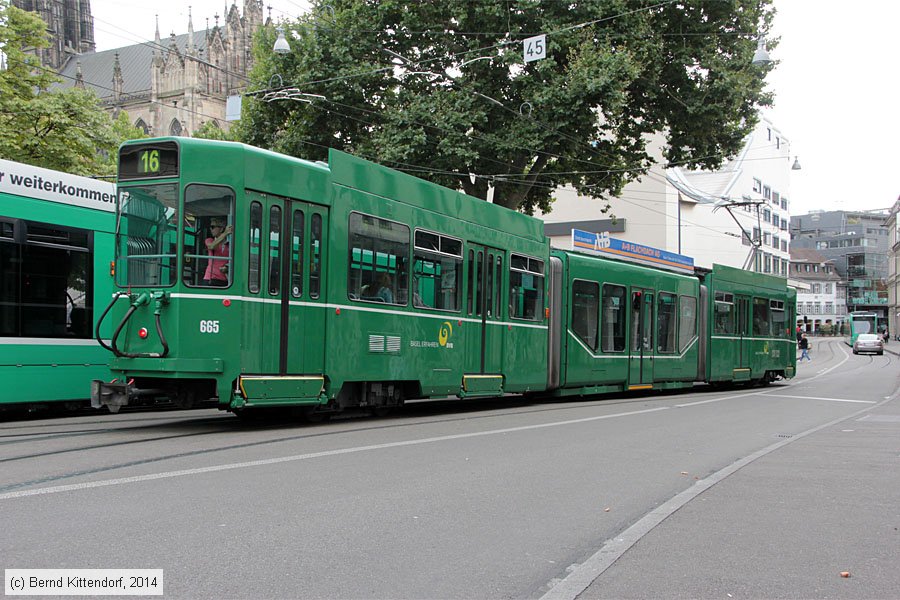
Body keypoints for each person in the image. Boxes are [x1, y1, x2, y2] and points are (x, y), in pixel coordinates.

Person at [203, 217, 233, 286]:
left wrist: (227, 267)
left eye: (212, 227)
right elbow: (211, 246)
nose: (211, 229)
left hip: (225, 279)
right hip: (210, 278)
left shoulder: (230, 244)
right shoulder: (209, 240)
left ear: (221, 229)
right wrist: (225, 234)